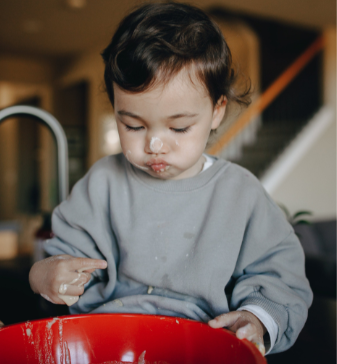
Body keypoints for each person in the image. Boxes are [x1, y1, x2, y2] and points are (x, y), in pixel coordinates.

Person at [28, 2, 312, 355]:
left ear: (216, 112)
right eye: (133, 125)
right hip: (110, 342)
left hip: (203, 345)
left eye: (179, 127)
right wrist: (46, 274)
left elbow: (279, 279)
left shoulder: (241, 194)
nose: (155, 145)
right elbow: (65, 255)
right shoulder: (102, 183)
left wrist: (254, 319)